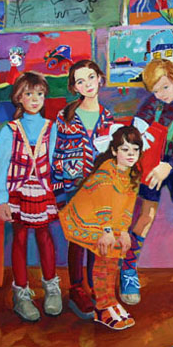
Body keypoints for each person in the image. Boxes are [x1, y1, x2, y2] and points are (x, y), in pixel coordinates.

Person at [119, 58, 173, 308]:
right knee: (146, 214)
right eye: (156, 91)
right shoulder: (152, 103)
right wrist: (138, 133)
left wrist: (168, 165)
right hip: (151, 165)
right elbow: (137, 128)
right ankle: (128, 270)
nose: (161, 95)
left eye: (165, 88)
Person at [58, 125, 143, 330]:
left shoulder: (132, 175)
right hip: (83, 219)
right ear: (114, 151)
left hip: (107, 221)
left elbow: (126, 207)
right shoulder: (105, 173)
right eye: (125, 149)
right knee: (106, 249)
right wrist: (107, 231)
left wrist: (123, 231)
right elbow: (103, 205)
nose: (131, 154)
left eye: (135, 149)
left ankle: (109, 300)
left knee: (117, 248)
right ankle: (103, 306)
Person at [0, 72, 61, 322]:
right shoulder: (9, 130)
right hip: (18, 191)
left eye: (39, 94)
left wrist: (59, 191)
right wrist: (1, 199)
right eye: (29, 94)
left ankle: (51, 287)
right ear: (18, 98)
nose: (34, 99)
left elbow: (55, 162)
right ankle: (21, 293)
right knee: (19, 238)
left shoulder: (51, 127)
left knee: (45, 236)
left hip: (43, 190)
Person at [52, 60, 114, 320]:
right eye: (80, 81)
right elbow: (57, 155)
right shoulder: (65, 117)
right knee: (77, 238)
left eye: (91, 77)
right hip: (73, 188)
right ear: (74, 87)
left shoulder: (107, 117)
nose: (87, 84)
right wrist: (59, 192)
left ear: (99, 78)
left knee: (96, 239)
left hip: (100, 189)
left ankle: (95, 286)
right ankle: (77, 288)